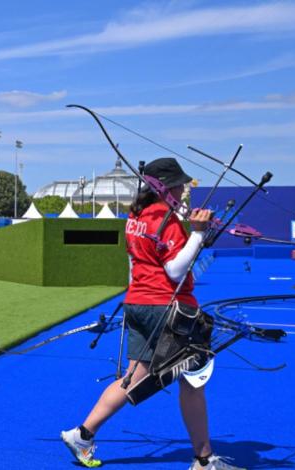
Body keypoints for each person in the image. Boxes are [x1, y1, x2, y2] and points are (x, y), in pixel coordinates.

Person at [60, 158, 241, 470]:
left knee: (133, 376)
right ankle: (204, 460)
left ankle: (82, 435)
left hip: (139, 303)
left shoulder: (136, 214)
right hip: (168, 308)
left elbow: (137, 262)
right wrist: (197, 233)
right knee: (193, 381)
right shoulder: (165, 218)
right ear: (165, 186)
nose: (184, 189)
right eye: (180, 184)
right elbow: (174, 270)